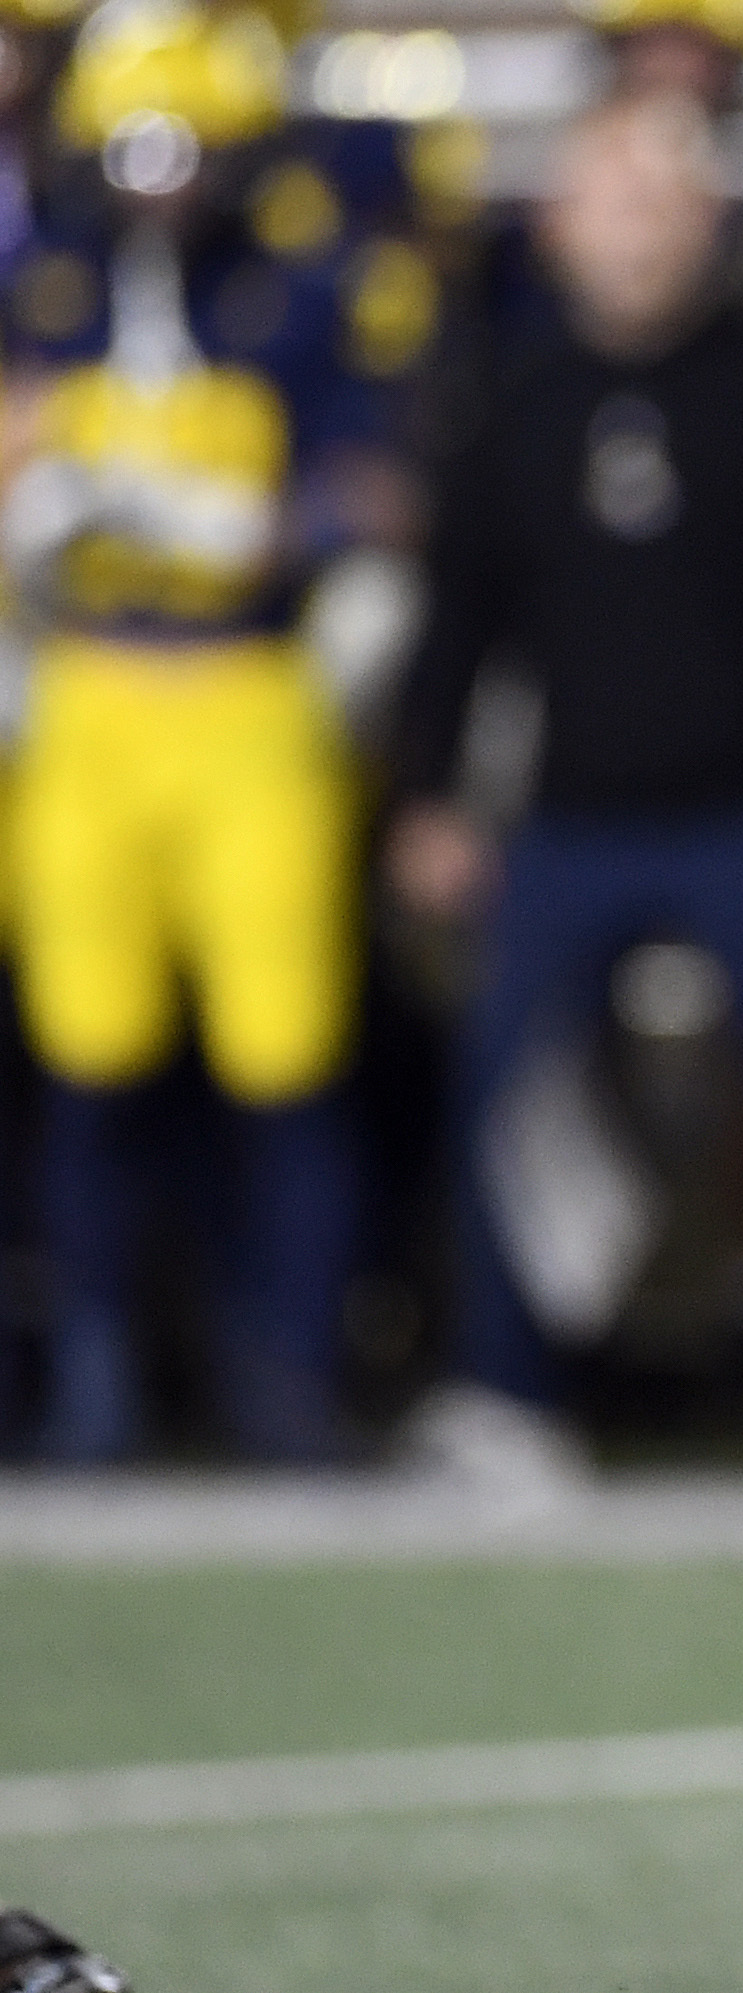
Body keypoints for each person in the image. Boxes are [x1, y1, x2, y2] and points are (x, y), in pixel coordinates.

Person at [386, 94, 743, 1484]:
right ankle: (503, 1387)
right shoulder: (516, 399)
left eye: (666, 203)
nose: (641, 235)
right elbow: (455, 616)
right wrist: (428, 794)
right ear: (562, 226)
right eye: (614, 204)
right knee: (508, 1094)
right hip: (572, 814)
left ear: (710, 222)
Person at [0, 0, 419, 1462]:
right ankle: (99, 1378)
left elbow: (379, 492)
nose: (155, 185)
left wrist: (253, 525)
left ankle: (290, 1373)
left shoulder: (301, 295)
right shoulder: (45, 285)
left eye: (182, 155)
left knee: (282, 1054)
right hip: (86, 687)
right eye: (129, 154)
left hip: (245, 690)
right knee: (88, 1050)